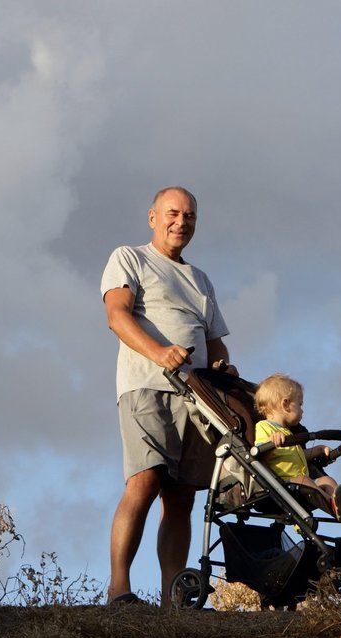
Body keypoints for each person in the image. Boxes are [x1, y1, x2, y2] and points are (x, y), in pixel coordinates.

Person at [101, 185, 234, 606]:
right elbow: (116, 315)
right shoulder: (130, 257)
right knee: (145, 481)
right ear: (153, 217)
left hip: (197, 397)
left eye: (190, 215)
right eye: (173, 213)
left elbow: (216, 343)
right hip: (146, 386)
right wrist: (160, 353)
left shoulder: (200, 278)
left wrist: (222, 368)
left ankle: (172, 598)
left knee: (183, 495)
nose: (182, 222)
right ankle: (119, 589)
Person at [251, 373, 341, 521]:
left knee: (325, 480)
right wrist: (271, 442)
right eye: (299, 404)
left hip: (301, 483)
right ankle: (334, 505)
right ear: (285, 404)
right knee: (304, 480)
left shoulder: (288, 432)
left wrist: (318, 449)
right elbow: (258, 452)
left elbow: (299, 454)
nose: (302, 410)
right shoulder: (264, 426)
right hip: (282, 483)